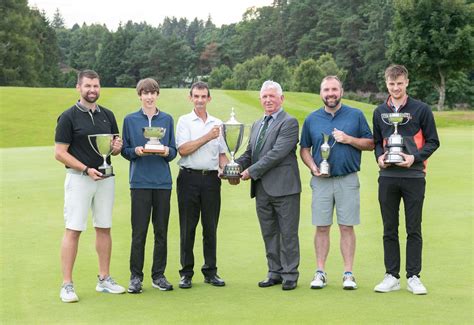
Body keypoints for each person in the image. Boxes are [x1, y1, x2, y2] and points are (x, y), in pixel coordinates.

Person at [54, 70, 125, 303]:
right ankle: (67, 284)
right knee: (73, 229)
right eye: (87, 86)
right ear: (78, 88)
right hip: (79, 179)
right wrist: (85, 169)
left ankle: (104, 279)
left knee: (104, 227)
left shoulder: (108, 115)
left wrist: (117, 147)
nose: (92, 90)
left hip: (106, 179)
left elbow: (114, 148)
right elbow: (60, 153)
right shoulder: (68, 117)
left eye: (96, 85)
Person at [300, 76, 374, 290]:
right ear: (321, 93)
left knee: (346, 226)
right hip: (321, 181)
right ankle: (320, 272)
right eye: (326, 90)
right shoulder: (312, 119)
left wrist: (349, 139)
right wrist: (313, 167)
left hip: (347, 179)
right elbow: (304, 148)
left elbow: (370, 143)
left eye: (334, 89)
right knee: (321, 226)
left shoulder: (356, 115)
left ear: (341, 91)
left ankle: (348, 273)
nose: (330, 93)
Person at [373, 65, 439, 295]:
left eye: (399, 83)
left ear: (407, 82)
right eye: (391, 84)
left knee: (414, 228)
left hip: (414, 175)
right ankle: (391, 275)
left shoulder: (421, 109)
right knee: (389, 228)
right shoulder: (379, 111)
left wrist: (414, 157)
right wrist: (379, 158)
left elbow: (433, 141)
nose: (396, 87)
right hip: (388, 176)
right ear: (386, 84)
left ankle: (413, 276)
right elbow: (377, 142)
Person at [233, 80, 301, 291]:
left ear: (281, 99)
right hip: (262, 188)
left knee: (287, 233)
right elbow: (250, 153)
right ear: (260, 99)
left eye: (272, 96)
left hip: (285, 188)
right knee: (269, 232)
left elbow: (276, 154)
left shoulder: (289, 122)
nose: (268, 100)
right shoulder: (257, 124)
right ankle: (274, 271)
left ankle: (290, 274)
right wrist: (234, 167)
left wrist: (250, 171)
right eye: (265, 97)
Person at [121, 78, 177, 294]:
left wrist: (165, 152)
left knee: (161, 231)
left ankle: (158, 275)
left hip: (163, 183)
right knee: (139, 231)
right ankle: (136, 277)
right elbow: (125, 150)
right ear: (139, 95)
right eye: (145, 93)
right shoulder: (130, 120)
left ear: (157, 95)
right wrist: (134, 151)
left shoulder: (167, 119)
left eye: (153, 92)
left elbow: (173, 151)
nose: (149, 96)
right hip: (140, 182)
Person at [175, 81, 229, 289]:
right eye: (196, 96)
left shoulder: (218, 123)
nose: (199, 100)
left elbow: (222, 154)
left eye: (203, 96)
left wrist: (227, 170)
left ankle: (210, 271)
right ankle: (186, 272)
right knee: (188, 227)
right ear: (191, 98)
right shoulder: (184, 121)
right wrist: (208, 136)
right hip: (189, 178)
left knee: (210, 226)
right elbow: (183, 149)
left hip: (211, 180)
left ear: (209, 99)